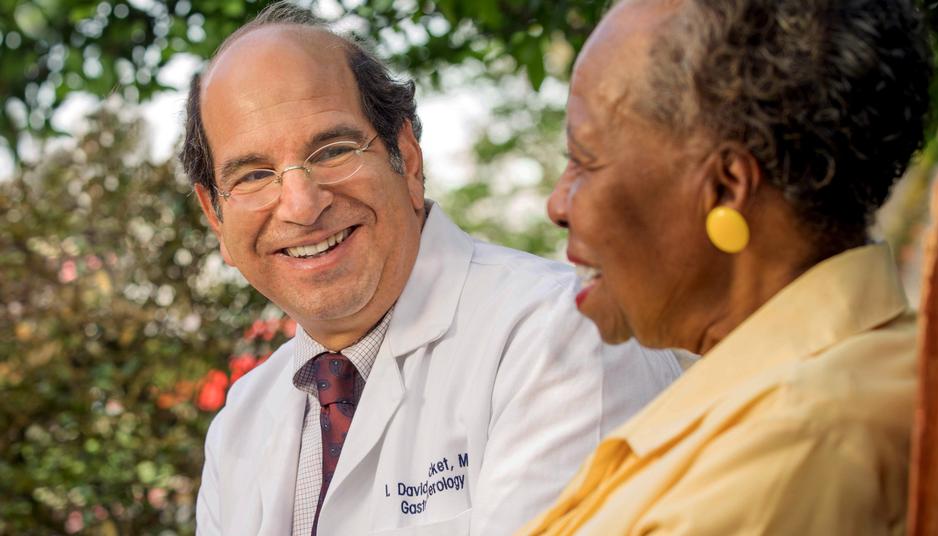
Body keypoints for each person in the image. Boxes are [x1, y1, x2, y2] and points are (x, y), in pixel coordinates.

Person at [180, 4, 681, 535]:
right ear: (215, 215)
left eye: (332, 150)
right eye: (255, 175)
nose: (302, 205)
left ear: (408, 158)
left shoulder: (563, 335)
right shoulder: (242, 421)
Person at [522, 0, 931, 533]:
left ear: (725, 188)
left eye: (585, 160)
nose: (557, 204)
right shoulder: (833, 378)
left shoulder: (791, 442)